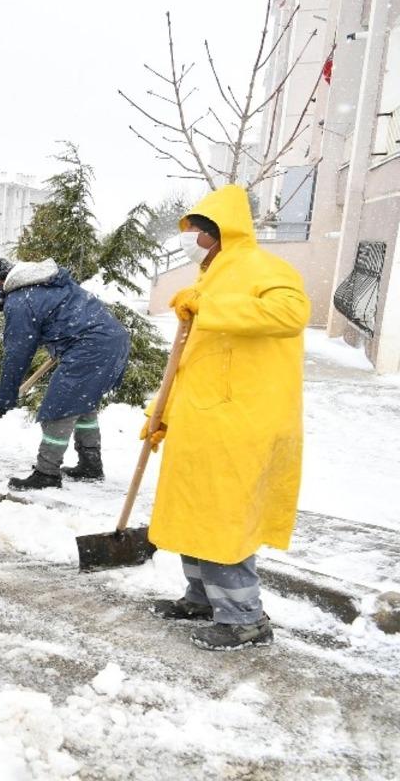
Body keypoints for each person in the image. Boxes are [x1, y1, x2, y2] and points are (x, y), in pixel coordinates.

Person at [146, 185, 310, 651]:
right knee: (192, 517)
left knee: (222, 521)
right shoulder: (209, 278)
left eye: (196, 229)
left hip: (241, 421)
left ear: (219, 231)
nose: (189, 237)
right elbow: (194, 360)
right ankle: (201, 599)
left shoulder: (264, 269)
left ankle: (245, 619)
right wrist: (161, 414)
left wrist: (211, 308)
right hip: (203, 421)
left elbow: (291, 313)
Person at [0, 256, 130, 490]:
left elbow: (17, 353)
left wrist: (5, 396)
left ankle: (47, 473)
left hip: (90, 345)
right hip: (112, 339)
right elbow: (70, 314)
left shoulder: (21, 299)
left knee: (58, 408)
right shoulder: (46, 285)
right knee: (82, 402)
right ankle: (90, 465)